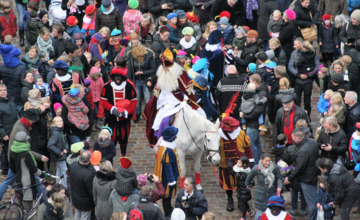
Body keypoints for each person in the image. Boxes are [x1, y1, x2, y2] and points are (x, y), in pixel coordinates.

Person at [218, 116, 254, 211]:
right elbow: (212, 147)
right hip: (226, 164)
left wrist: (251, 161)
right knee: (228, 183)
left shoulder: (241, 133)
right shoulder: (218, 135)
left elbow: (247, 148)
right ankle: (230, 199)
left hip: (240, 164)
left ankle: (241, 200)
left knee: (241, 184)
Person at [100, 67, 137, 156]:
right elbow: (104, 100)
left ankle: (123, 157)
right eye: (115, 76)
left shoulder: (129, 86)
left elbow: (134, 101)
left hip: (124, 119)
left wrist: (127, 112)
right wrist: (111, 108)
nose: (117, 79)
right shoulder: (107, 86)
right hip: (110, 118)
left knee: (124, 138)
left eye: (119, 77)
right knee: (109, 138)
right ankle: (109, 158)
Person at [284, 128, 319, 220]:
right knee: (312, 199)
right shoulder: (312, 142)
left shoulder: (303, 150)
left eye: (292, 138)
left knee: (311, 202)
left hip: (307, 178)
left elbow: (299, 167)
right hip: (313, 174)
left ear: (297, 139)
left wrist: (289, 178)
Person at [9, 131, 47, 212]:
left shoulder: (12, 151)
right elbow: (34, 169)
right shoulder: (26, 154)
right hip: (27, 181)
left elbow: (12, 167)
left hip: (18, 178)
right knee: (27, 204)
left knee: (20, 204)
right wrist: (43, 174)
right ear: (25, 141)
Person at [245, 153, 282, 220]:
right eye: (266, 161)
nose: (268, 163)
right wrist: (249, 185)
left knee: (271, 212)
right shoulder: (256, 168)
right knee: (260, 212)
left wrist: (279, 186)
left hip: (272, 193)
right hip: (261, 194)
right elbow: (248, 178)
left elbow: (279, 178)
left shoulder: (275, 168)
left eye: (269, 161)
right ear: (261, 160)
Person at [153, 126, 180, 218]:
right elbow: (168, 167)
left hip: (167, 177)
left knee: (167, 196)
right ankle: (167, 213)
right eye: (174, 136)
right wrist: (172, 180)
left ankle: (168, 209)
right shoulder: (167, 151)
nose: (176, 137)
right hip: (167, 178)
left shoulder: (167, 147)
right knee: (166, 196)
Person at [127, 44, 156, 122]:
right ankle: (137, 114)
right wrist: (128, 81)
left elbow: (153, 70)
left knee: (147, 100)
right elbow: (130, 69)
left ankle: (148, 115)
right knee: (137, 99)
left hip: (146, 80)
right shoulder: (132, 56)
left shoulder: (149, 56)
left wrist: (142, 72)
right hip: (136, 81)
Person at [68, 150, 96, 220]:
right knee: (85, 217)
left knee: (77, 214)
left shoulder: (72, 165)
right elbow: (91, 190)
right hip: (85, 202)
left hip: (75, 197)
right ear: (89, 160)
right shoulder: (88, 174)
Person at [0, 83, 18, 178]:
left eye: (4, 90)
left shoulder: (11, 100)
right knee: (6, 150)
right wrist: (3, 134)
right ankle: (5, 170)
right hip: (6, 132)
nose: (3, 92)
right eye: (1, 90)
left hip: (13, 130)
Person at [47, 116, 69, 187]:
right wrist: (59, 152)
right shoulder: (56, 133)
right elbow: (50, 145)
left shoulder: (60, 131)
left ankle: (58, 186)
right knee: (64, 171)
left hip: (60, 155)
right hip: (59, 156)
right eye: (57, 121)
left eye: (61, 121)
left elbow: (64, 141)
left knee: (59, 171)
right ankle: (64, 187)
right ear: (54, 123)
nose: (60, 123)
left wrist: (65, 149)